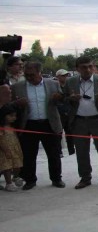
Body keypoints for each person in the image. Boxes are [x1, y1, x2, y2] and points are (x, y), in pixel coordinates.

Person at [11, 61, 65, 190]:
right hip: (29, 124)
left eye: (32, 75)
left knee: (54, 154)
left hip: (49, 123)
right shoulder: (18, 86)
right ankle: (30, 180)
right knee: (29, 154)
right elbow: (11, 105)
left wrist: (59, 98)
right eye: (27, 75)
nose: (29, 77)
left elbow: (62, 102)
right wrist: (18, 103)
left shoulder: (53, 84)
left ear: (39, 72)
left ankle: (56, 178)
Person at [63, 57, 98, 189]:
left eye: (90, 66)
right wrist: (71, 98)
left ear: (94, 67)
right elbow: (64, 99)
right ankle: (85, 178)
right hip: (79, 121)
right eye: (83, 67)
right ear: (77, 69)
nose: (87, 69)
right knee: (81, 151)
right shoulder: (71, 82)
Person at [0, 104, 22, 192]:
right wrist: (5, 150)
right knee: (7, 167)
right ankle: (8, 184)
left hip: (15, 149)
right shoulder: (1, 128)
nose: (14, 118)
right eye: (11, 116)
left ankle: (15, 177)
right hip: (4, 151)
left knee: (17, 166)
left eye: (15, 116)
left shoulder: (13, 127)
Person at [55, 69, 75, 156]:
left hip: (69, 112)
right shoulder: (55, 86)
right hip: (59, 112)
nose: (65, 77)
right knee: (58, 133)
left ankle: (72, 150)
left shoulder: (69, 86)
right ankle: (59, 151)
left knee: (70, 133)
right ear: (58, 76)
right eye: (63, 76)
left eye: (66, 75)